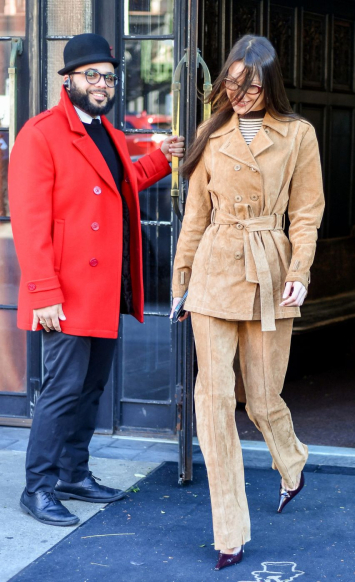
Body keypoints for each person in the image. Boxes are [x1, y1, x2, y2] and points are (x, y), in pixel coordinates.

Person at [9, 33, 185, 527]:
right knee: (62, 390)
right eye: (92, 75)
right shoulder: (40, 134)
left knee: (91, 388)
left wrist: (163, 157)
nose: (102, 83)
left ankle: (73, 473)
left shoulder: (105, 132)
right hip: (64, 293)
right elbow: (28, 222)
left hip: (105, 289)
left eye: (108, 76)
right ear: (68, 80)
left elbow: (119, 182)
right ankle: (38, 487)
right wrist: (42, 292)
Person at [170, 35, 324, 571]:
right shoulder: (210, 134)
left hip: (269, 270)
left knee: (261, 398)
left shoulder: (298, 135)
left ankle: (292, 458)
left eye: (250, 84)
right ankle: (229, 531)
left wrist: (300, 273)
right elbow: (195, 217)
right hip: (214, 271)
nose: (239, 93)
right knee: (212, 404)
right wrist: (181, 282)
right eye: (232, 83)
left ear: (270, 83)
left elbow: (306, 213)